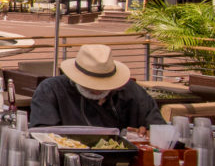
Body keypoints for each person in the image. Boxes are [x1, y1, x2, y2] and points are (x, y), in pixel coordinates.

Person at [30, 44, 163, 129]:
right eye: (91, 84)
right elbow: (43, 134)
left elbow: (159, 128)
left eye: (104, 85)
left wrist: (145, 136)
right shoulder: (51, 90)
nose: (97, 90)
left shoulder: (131, 91)